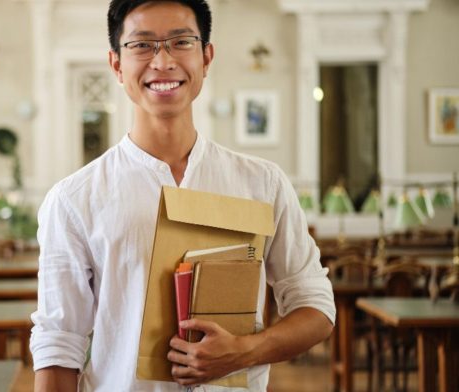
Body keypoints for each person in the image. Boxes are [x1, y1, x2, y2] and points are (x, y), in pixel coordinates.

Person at [30, 0, 335, 390]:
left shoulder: (263, 184)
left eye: (180, 42)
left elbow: (316, 307)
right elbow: (59, 345)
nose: (162, 61)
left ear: (206, 57)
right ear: (116, 65)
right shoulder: (74, 200)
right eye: (142, 45)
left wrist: (245, 351)